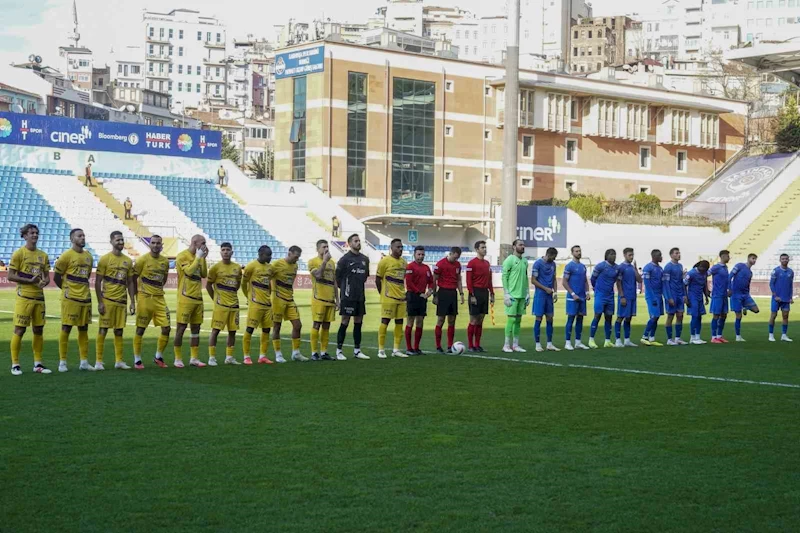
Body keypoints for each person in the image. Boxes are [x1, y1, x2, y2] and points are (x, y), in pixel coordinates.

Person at [8, 224, 52, 375]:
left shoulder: (43, 255)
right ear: (25, 236)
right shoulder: (19, 254)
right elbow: (11, 276)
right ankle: (15, 364)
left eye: (36, 233)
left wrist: (44, 282)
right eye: (32, 233)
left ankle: (38, 364)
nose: (35, 235)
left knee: (38, 329)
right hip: (24, 297)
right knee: (20, 329)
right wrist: (29, 281)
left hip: (39, 298)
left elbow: (46, 277)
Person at [54, 228, 95, 372]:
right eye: (79, 236)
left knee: (84, 328)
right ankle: (62, 363)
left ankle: (84, 362)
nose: (83, 238)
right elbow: (57, 277)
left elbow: (87, 275)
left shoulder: (89, 257)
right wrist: (67, 290)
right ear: (72, 239)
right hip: (70, 298)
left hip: (85, 298)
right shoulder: (66, 256)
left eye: (84, 235)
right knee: (66, 327)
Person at [95, 231, 136, 370]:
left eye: (122, 240)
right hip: (107, 300)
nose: (120, 242)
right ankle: (98, 361)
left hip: (121, 301)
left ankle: (119, 361)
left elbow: (130, 282)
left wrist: (132, 301)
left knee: (119, 331)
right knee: (103, 330)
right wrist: (100, 301)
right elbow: (97, 282)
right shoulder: (105, 259)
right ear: (111, 241)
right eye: (118, 240)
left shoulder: (128, 261)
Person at [132, 235, 171, 369]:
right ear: (150, 245)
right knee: (141, 329)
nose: (155, 245)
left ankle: (158, 356)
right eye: (153, 243)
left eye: (158, 243)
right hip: (145, 298)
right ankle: (137, 360)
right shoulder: (142, 260)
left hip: (159, 298)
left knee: (166, 328)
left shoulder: (165, 261)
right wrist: (134, 298)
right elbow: (133, 278)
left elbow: (164, 279)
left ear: (161, 245)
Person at [174, 235, 208, 368]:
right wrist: (198, 257)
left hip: (198, 299)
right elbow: (188, 271)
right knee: (181, 328)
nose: (205, 245)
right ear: (194, 242)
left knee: (196, 329)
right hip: (185, 298)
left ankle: (194, 358)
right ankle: (178, 358)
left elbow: (204, 274)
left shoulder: (199, 256)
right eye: (203, 243)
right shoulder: (182, 256)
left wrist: (203, 258)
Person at [335, 234, 370, 360]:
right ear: (349, 244)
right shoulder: (344, 259)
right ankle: (339, 350)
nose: (358, 243)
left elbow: (365, 276)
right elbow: (337, 277)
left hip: (360, 296)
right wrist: (345, 288)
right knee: (345, 321)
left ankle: (357, 350)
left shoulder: (365, 259)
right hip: (347, 296)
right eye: (355, 241)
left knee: (358, 322)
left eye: (359, 241)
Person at [207, 243, 242, 365]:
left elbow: (237, 284)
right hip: (220, 305)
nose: (226, 252)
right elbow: (208, 285)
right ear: (220, 252)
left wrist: (231, 293)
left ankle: (229, 357)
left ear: (232, 252)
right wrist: (214, 298)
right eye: (223, 250)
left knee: (232, 331)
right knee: (215, 331)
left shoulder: (237, 268)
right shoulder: (215, 268)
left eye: (228, 250)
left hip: (234, 304)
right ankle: (212, 358)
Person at [271, 246, 307, 362]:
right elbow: (267, 277)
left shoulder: (295, 266)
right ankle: (278, 354)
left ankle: (296, 353)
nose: (297, 259)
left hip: (290, 299)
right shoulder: (277, 264)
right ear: (289, 253)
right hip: (278, 299)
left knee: (298, 325)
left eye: (298, 257)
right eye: (296, 257)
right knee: (277, 326)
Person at [376, 238, 408, 358]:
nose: (400, 249)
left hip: (401, 297)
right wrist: (382, 293)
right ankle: (381, 350)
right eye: (398, 247)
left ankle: (396, 349)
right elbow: (377, 279)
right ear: (391, 248)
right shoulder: (385, 261)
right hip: (388, 297)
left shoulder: (404, 263)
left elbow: (402, 279)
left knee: (399, 322)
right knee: (385, 321)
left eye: (401, 247)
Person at [242, 245, 275, 364]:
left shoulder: (270, 268)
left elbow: (269, 284)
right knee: (250, 329)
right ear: (261, 254)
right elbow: (243, 284)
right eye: (268, 255)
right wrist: (248, 297)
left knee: (266, 330)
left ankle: (262, 356)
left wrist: (269, 296)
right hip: (255, 304)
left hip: (267, 305)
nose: (271, 257)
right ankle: (246, 356)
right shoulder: (251, 266)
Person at [308, 239, 339, 361]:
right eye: (323, 247)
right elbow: (318, 275)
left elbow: (334, 282)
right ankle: (314, 353)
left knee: (327, 326)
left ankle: (324, 352)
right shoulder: (313, 262)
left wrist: (338, 299)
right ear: (317, 249)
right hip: (318, 299)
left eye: (327, 247)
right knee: (316, 325)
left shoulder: (332, 262)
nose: (326, 249)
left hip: (330, 300)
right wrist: (324, 261)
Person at [433, 247, 465, 354]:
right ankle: (438, 346)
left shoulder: (457, 265)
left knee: (452, 320)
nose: (455, 259)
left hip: (453, 293)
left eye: (457, 258)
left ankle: (450, 346)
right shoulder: (440, 264)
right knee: (441, 320)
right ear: (450, 254)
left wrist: (461, 293)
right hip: (443, 292)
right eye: (454, 257)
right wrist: (435, 295)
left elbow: (459, 280)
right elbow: (434, 279)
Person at [404, 245, 434, 355]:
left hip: (423, 297)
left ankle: (416, 347)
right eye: (419, 254)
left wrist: (430, 290)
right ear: (414, 255)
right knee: (410, 321)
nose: (421, 256)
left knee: (420, 321)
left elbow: (431, 281)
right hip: (412, 296)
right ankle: (409, 348)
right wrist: (419, 293)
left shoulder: (426, 268)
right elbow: (409, 283)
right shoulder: (410, 267)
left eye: (422, 255)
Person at [466, 240, 494, 353]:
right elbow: (468, 281)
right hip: (475, 292)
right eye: (482, 247)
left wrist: (492, 293)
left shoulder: (487, 264)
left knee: (481, 319)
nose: (485, 249)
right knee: (473, 319)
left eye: (485, 247)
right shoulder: (471, 263)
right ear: (477, 249)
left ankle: (477, 344)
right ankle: (470, 345)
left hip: (484, 292)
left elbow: (489, 280)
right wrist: (471, 294)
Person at [501, 239, 529, 353]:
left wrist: (527, 292)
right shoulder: (509, 260)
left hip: (522, 295)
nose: (522, 246)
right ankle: (506, 345)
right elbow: (504, 277)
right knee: (511, 319)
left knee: (518, 320)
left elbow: (526, 277)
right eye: (520, 245)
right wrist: (506, 293)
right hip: (512, 295)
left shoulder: (525, 261)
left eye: (523, 245)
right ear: (514, 247)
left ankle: (515, 345)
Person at [588, 249, 619, 349]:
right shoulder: (600, 266)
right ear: (606, 256)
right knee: (597, 316)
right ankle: (591, 339)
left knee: (609, 317)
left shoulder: (617, 268)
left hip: (610, 295)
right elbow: (593, 278)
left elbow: (615, 280)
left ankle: (607, 341)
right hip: (600, 295)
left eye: (614, 254)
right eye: (611, 254)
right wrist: (596, 288)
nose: (613, 256)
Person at [531, 247, 560, 352]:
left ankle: (549, 344)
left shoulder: (553, 264)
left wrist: (555, 292)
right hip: (540, 294)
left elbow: (554, 279)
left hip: (549, 295)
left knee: (550, 318)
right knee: (538, 318)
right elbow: (533, 280)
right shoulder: (537, 264)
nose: (554, 259)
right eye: (553, 257)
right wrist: (545, 288)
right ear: (548, 254)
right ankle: (537, 344)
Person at [562, 245, 590, 350]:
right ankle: (567, 342)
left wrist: (587, 292)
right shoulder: (569, 266)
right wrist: (573, 294)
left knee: (580, 319)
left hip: (582, 297)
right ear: (572, 253)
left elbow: (585, 281)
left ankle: (578, 342)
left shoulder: (583, 266)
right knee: (571, 318)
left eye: (579, 251)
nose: (579, 253)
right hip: (572, 297)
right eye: (576, 251)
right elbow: (564, 282)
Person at [729, 253, 760, 342]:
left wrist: (748, 294)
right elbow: (730, 276)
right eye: (753, 258)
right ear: (748, 258)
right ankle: (738, 336)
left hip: (745, 295)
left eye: (755, 259)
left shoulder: (750, 273)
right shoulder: (739, 266)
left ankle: (744, 306)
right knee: (739, 316)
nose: (754, 260)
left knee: (756, 310)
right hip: (736, 294)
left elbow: (748, 284)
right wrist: (729, 289)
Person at [614, 247, 641, 348]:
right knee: (620, 317)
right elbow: (618, 282)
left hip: (632, 296)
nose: (631, 257)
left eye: (632, 255)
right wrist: (622, 296)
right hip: (625, 296)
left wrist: (635, 268)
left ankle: (627, 340)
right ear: (624, 255)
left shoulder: (632, 267)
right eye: (629, 255)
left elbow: (639, 280)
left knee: (629, 318)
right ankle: (617, 340)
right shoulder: (621, 267)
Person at [663, 247, 688, 346]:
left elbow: (681, 282)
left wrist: (684, 295)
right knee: (670, 316)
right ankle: (669, 339)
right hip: (672, 294)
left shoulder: (680, 266)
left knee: (680, 315)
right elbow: (666, 283)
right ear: (671, 255)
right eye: (676, 253)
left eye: (679, 253)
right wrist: (669, 297)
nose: (679, 255)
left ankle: (677, 338)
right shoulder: (668, 267)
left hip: (679, 294)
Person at [641, 249, 665, 347]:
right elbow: (647, 284)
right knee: (654, 316)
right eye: (659, 255)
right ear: (654, 256)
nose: (661, 257)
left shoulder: (660, 269)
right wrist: (653, 297)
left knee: (657, 316)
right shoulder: (648, 268)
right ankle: (644, 337)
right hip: (652, 296)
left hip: (659, 295)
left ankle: (652, 338)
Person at [768, 253, 794, 342]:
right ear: (780, 260)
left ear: (788, 260)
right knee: (773, 315)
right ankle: (771, 335)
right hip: (777, 298)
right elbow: (771, 284)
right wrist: (775, 296)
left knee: (785, 316)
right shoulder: (776, 271)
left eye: (786, 259)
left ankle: (784, 335)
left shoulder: (791, 272)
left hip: (786, 298)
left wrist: (791, 297)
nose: (785, 260)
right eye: (783, 259)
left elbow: (791, 285)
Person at [684, 260, 710, 344]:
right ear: (699, 266)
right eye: (702, 268)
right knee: (694, 316)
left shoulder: (704, 273)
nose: (703, 270)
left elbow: (704, 285)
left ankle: (698, 337)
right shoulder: (691, 273)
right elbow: (684, 285)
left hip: (700, 298)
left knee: (699, 317)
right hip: (692, 297)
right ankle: (692, 337)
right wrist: (686, 298)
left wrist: (706, 296)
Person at [709, 250, 731, 344]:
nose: (729, 258)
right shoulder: (716, 267)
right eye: (727, 256)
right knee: (716, 315)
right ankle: (713, 337)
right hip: (717, 295)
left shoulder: (725, 267)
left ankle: (719, 336)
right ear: (722, 256)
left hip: (724, 295)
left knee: (724, 315)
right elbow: (706, 274)